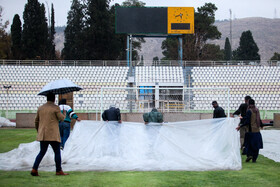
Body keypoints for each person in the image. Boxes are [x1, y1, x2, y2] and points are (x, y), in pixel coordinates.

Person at [31, 93, 69, 176]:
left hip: (43, 134)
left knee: (42, 152)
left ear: (47, 98)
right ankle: (58, 170)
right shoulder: (55, 108)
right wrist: (64, 113)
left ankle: (34, 169)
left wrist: (39, 130)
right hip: (53, 134)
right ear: (54, 99)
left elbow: (36, 121)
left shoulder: (40, 108)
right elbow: (61, 118)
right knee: (57, 152)